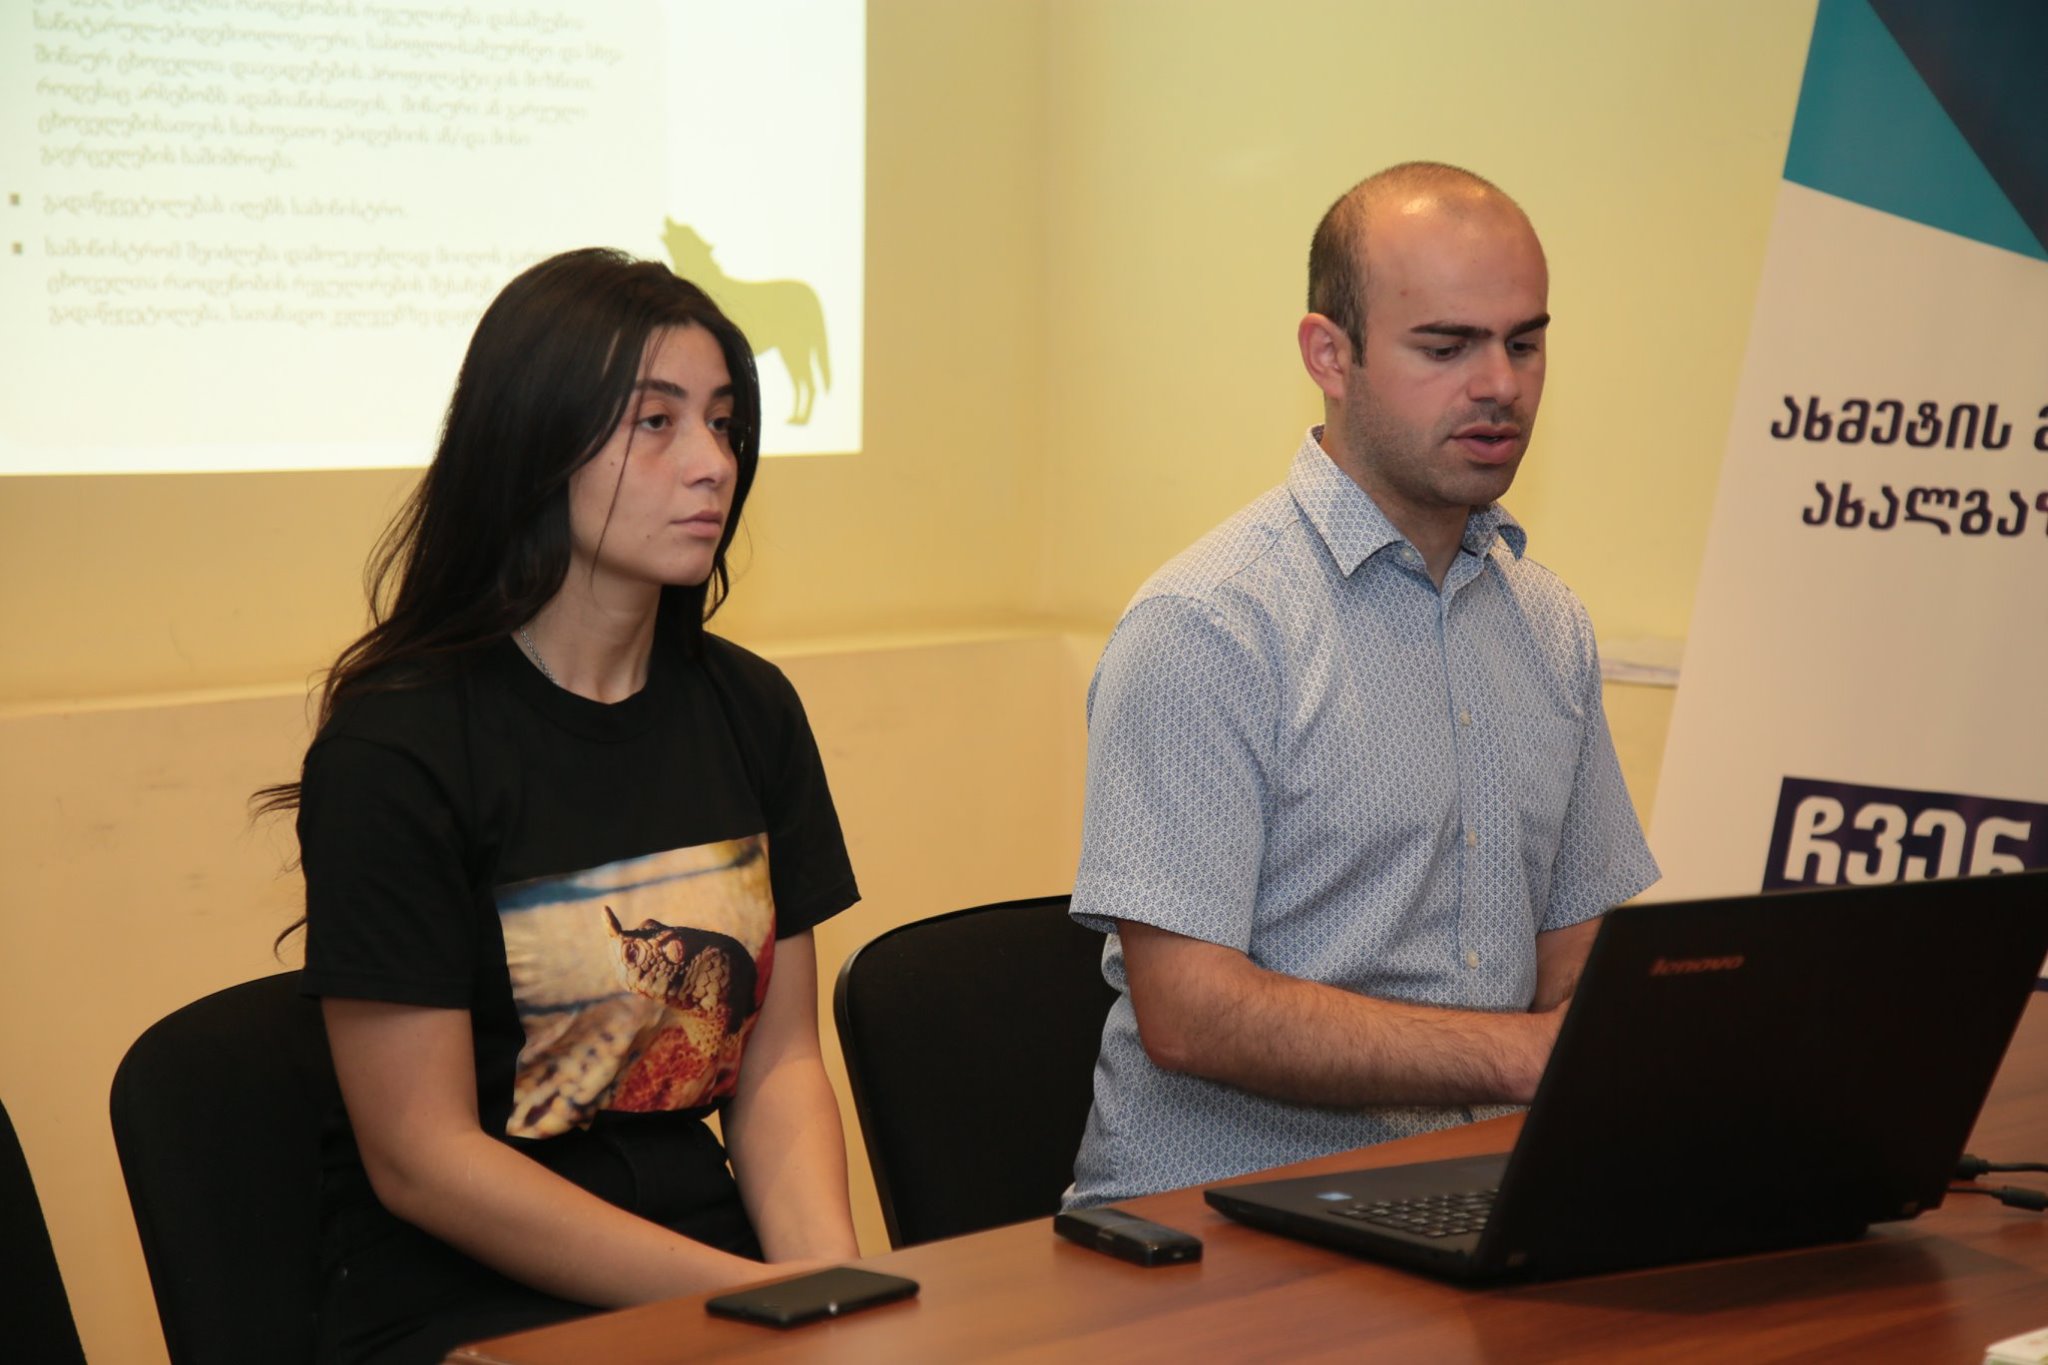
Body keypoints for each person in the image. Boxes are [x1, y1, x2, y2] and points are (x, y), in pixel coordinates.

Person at [262, 248, 862, 1363]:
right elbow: (422, 1159)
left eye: (724, 424)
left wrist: (828, 1291)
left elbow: (779, 1064)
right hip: (467, 1299)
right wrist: (748, 1296)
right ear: (534, 442)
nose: (712, 464)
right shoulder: (398, 749)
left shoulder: (750, 709)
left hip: (706, 1253)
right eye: (656, 423)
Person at [1064, 163, 1659, 1208]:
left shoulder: (1548, 624)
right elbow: (1188, 1013)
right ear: (1328, 355)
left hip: (1477, 1190)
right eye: (1446, 346)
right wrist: (1519, 1056)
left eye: (1524, 344)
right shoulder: (1208, 625)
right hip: (1218, 1229)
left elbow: (1579, 949)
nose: (1500, 384)